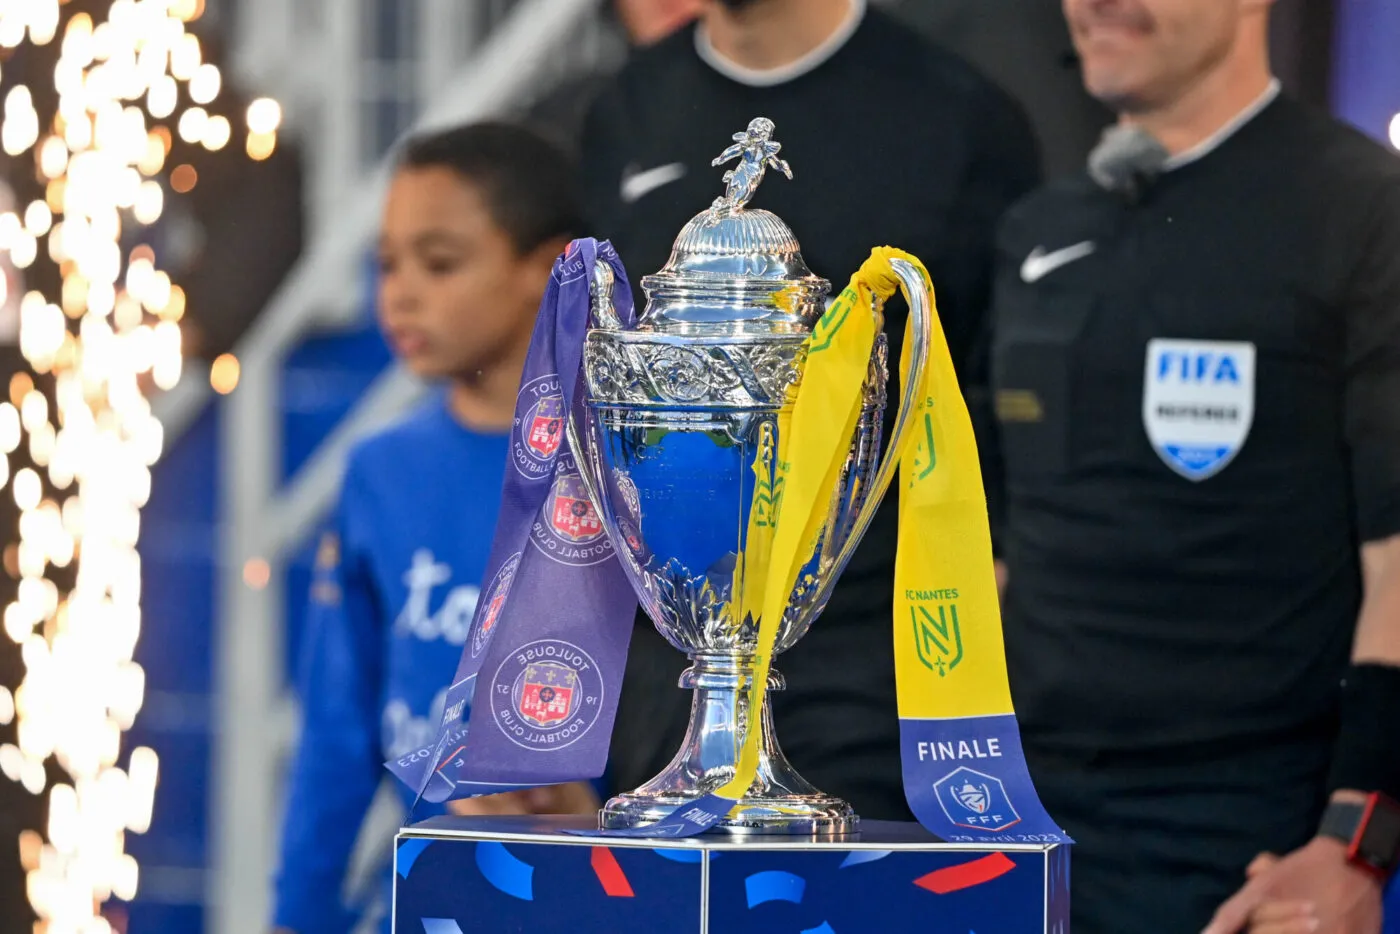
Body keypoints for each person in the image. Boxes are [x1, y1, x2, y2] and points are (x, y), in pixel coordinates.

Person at [981, 0, 1400, 932]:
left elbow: (1399, 564)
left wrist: (1354, 842)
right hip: (1014, 822)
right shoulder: (1037, 230)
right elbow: (998, 544)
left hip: (1245, 843)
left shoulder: (1364, 207)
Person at [578, 0, 1041, 822]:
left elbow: (993, 394)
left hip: (869, 664)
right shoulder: (622, 108)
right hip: (665, 665)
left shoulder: (959, 116)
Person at [269, 123, 600, 934]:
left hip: (595, 895)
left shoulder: (617, 464)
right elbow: (338, 734)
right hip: (428, 901)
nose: (401, 293)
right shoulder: (380, 469)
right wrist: (296, 916)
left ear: (549, 268)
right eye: (386, 264)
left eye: (440, 262)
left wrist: (607, 823)